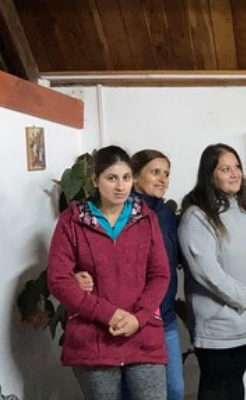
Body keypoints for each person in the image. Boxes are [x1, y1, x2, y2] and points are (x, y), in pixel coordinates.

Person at [47, 145, 170, 400]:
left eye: (126, 178)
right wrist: (108, 314)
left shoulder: (146, 219)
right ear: (95, 180)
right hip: (94, 340)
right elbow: (58, 280)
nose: (120, 186)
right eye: (111, 178)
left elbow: (160, 275)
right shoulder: (72, 220)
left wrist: (140, 317)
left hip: (143, 335)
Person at [75, 149, 184, 400]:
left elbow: (164, 268)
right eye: (155, 172)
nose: (162, 179)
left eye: (166, 174)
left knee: (174, 389)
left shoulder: (166, 215)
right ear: (136, 177)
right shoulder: (109, 214)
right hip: (119, 317)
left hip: (160, 316)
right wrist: (75, 277)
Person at [178, 143, 246, 400]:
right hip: (218, 325)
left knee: (235, 385)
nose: (235, 174)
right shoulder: (197, 216)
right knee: (217, 389)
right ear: (209, 175)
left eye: (237, 167)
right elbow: (207, 273)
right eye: (225, 169)